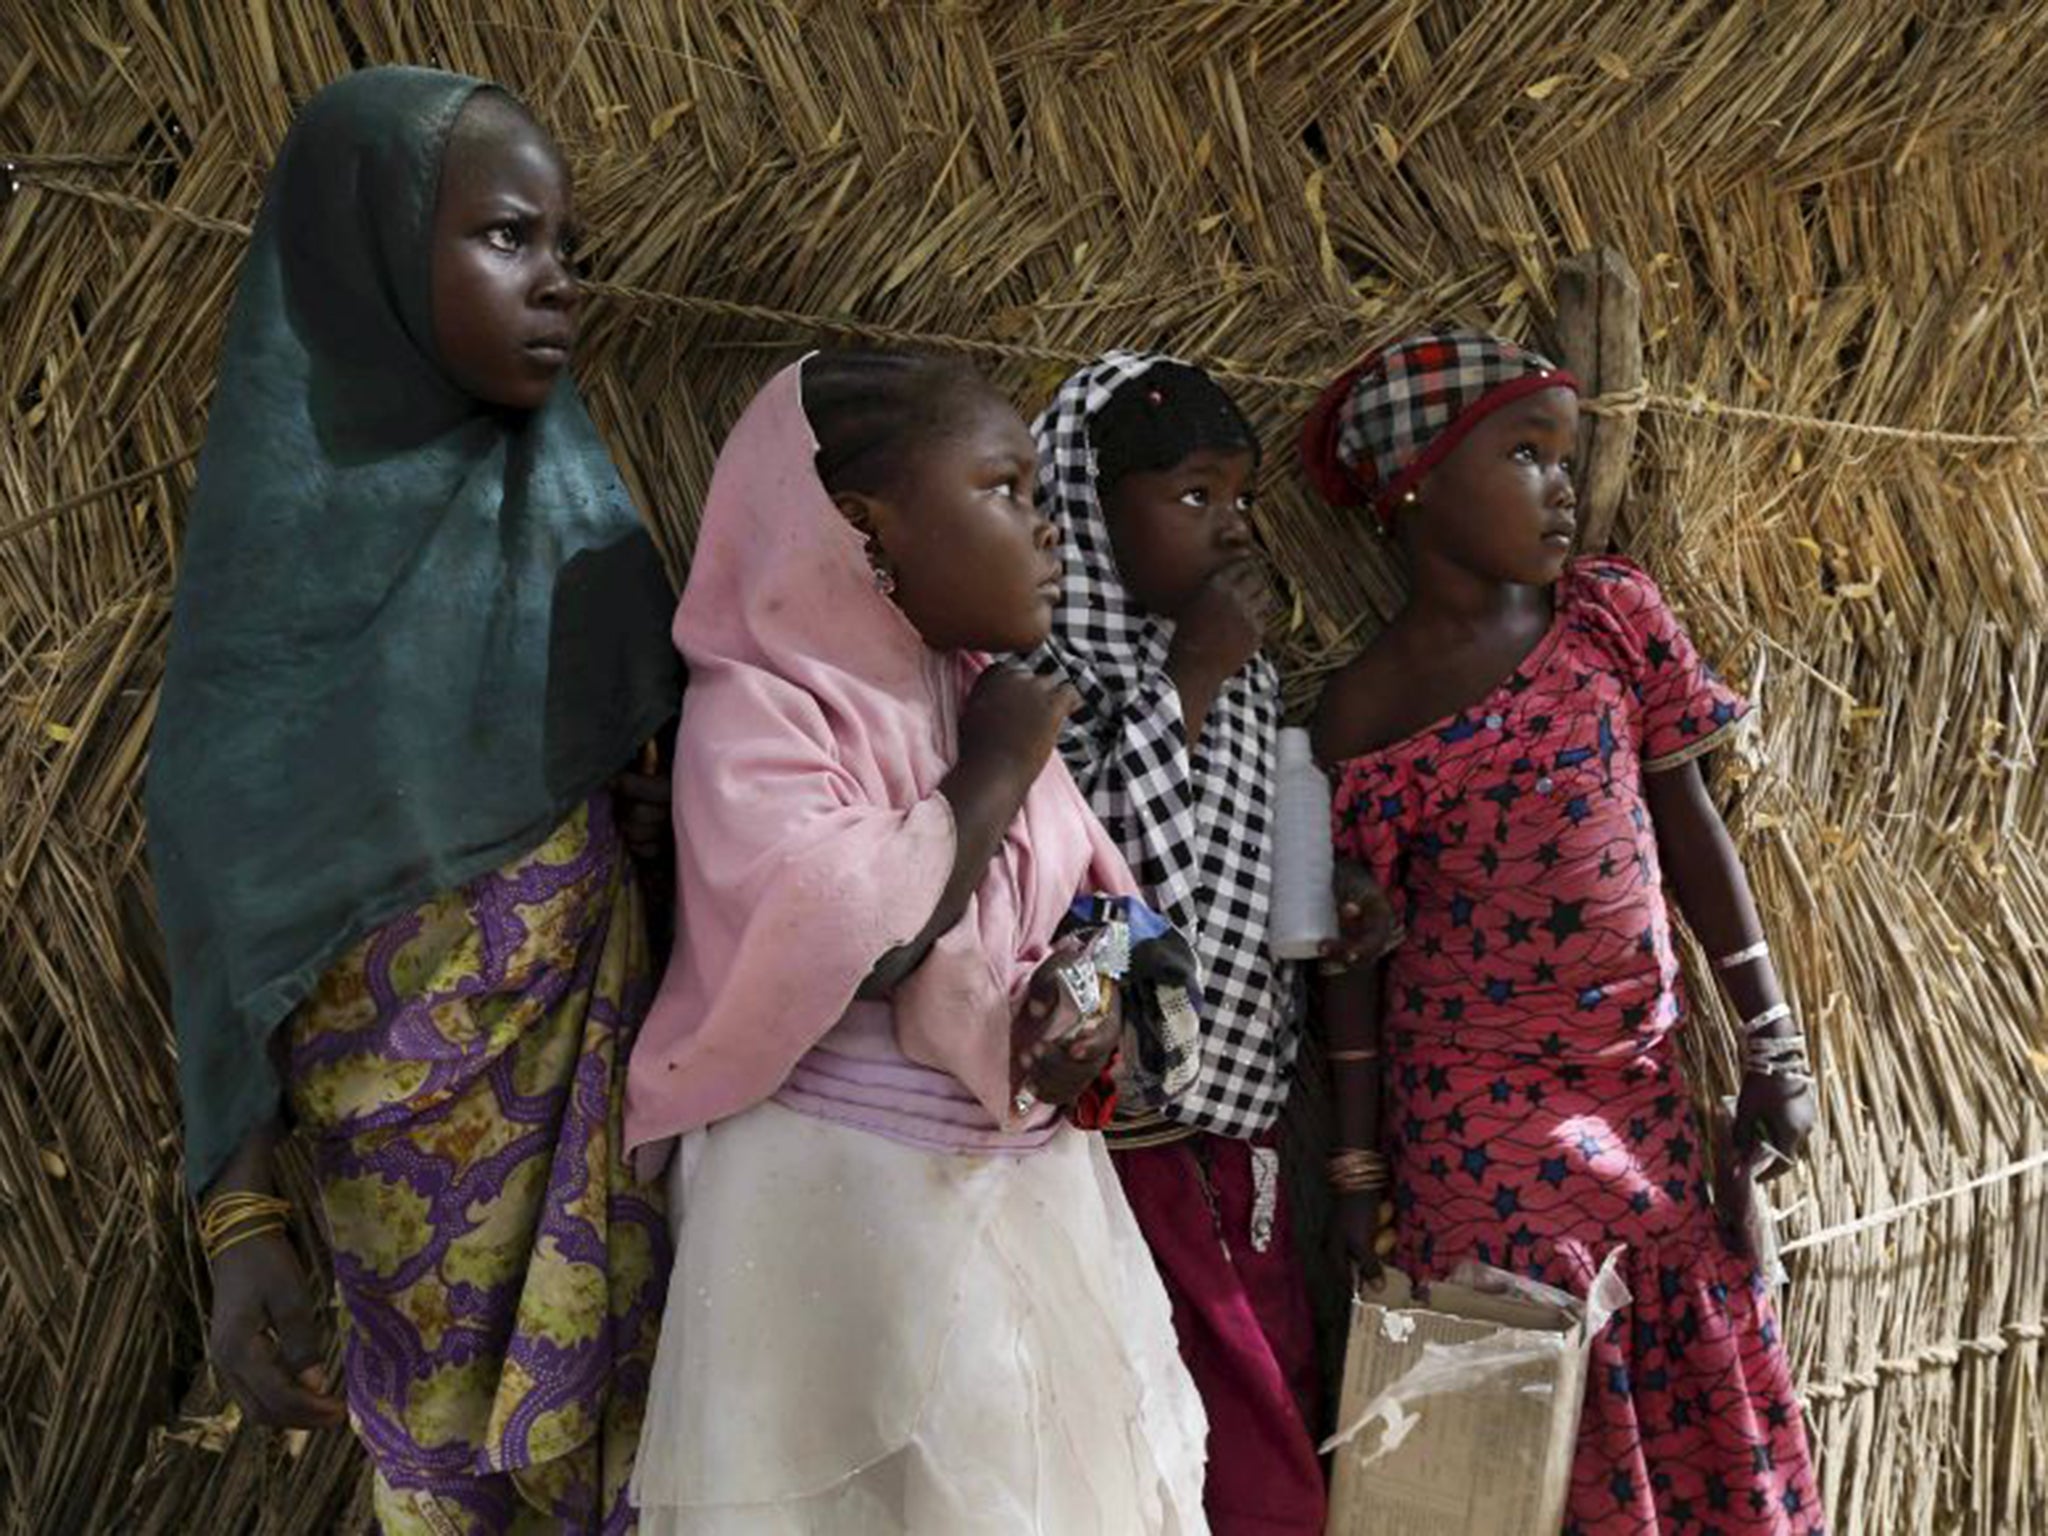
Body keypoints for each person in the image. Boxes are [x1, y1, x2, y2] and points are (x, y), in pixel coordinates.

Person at [148, 66, 679, 1533]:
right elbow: (228, 918)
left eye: (566, 248)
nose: (557, 284)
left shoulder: (589, 547)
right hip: (403, 1228)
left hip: (633, 1185)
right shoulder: (264, 611)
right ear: (364, 253)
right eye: (509, 238)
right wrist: (243, 1215)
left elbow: (710, 829)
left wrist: (660, 842)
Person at [623, 350, 1209, 1535]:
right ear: (862, 529)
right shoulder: (763, 711)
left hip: (1024, 1195)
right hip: (835, 1215)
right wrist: (994, 764)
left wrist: (1079, 999)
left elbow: (1105, 906)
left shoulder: (978, 684)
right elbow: (859, 933)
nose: (1046, 534)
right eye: (1006, 492)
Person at [1304, 329, 1824, 1534]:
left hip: (1631, 1090)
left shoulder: (1604, 619)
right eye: (1525, 455)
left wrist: (1770, 1044)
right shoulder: (1357, 713)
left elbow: (1688, 828)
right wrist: (1356, 1170)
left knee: (1675, 1333)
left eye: (1566, 458)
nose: (1559, 489)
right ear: (1416, 481)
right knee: (1524, 1389)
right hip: (1474, 1123)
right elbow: (1344, 964)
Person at [1026, 352, 1368, 1535]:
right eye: (1191, 498)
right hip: (1110, 1161)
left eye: (1239, 499)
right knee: (1140, 1442)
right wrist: (1189, 678)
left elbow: (1273, 900)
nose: (1230, 528)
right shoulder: (1037, 680)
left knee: (1262, 1421)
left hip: (1239, 1145)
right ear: (1077, 503)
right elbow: (1116, 899)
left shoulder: (1245, 674)